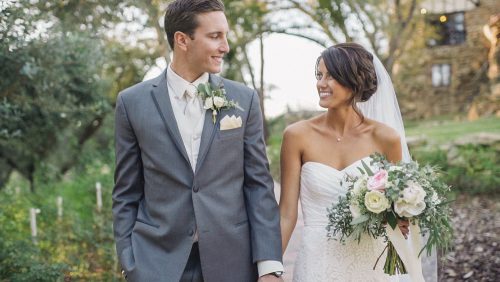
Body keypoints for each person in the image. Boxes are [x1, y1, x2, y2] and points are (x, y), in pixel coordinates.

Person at [112, 1, 283, 281]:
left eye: (225, 35)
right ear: (182, 40)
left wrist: (269, 265)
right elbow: (126, 193)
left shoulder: (244, 99)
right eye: (215, 36)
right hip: (156, 265)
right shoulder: (132, 103)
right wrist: (130, 262)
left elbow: (259, 188)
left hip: (232, 263)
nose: (225, 46)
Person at [279, 43, 414, 281]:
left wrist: (401, 216)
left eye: (331, 76)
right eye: (319, 75)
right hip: (317, 263)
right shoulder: (297, 135)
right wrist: (270, 268)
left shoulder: (386, 138)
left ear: (354, 80)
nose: (321, 83)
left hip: (373, 264)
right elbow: (286, 214)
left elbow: (398, 205)